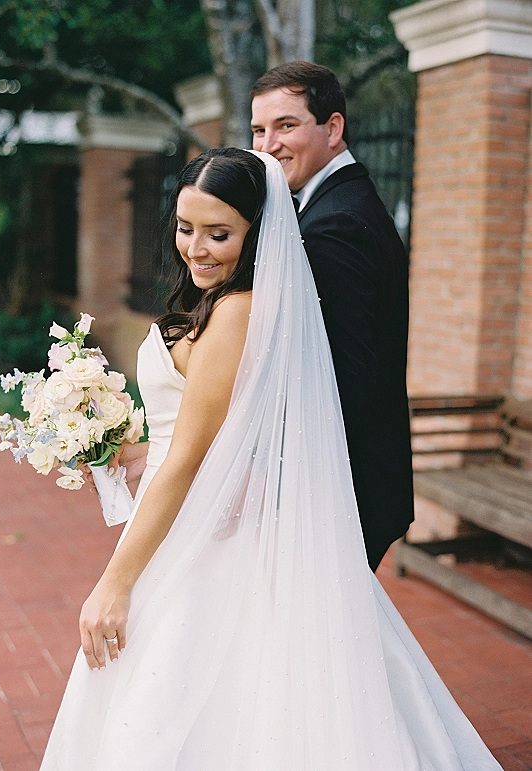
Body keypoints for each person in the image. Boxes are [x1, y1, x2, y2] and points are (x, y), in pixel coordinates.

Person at [40, 148, 501, 770]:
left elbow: (188, 463)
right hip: (209, 522)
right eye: (185, 228)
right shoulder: (231, 302)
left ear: (259, 233)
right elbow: (216, 441)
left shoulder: (235, 312)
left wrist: (113, 585)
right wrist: (134, 446)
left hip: (217, 543)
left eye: (219, 234)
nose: (196, 249)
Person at [251, 62, 414, 571]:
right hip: (349, 480)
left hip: (340, 488)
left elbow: (345, 376)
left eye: (286, 125)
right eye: (259, 129)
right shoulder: (333, 205)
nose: (268, 144)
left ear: (333, 127)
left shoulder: (333, 226)